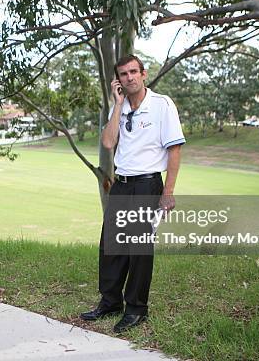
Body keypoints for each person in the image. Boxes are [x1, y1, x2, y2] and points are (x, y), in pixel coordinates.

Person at [80, 54, 185, 333]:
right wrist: (117, 104)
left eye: (134, 72)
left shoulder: (162, 105)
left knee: (138, 249)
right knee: (111, 246)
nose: (130, 77)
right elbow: (107, 142)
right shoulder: (120, 106)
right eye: (124, 74)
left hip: (147, 185)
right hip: (122, 184)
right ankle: (110, 302)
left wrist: (168, 192)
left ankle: (136, 308)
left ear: (143, 73)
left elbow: (175, 150)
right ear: (118, 80)